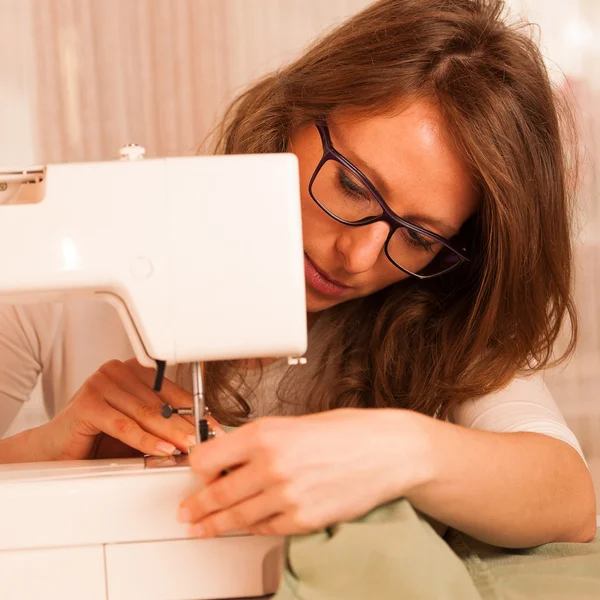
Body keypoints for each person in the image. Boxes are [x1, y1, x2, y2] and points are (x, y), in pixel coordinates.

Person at [0, 0, 596, 550]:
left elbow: (570, 499)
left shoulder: (434, 313)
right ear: (293, 117)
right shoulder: (75, 268)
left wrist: (401, 448)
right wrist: (46, 449)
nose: (359, 257)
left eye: (417, 236)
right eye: (354, 186)